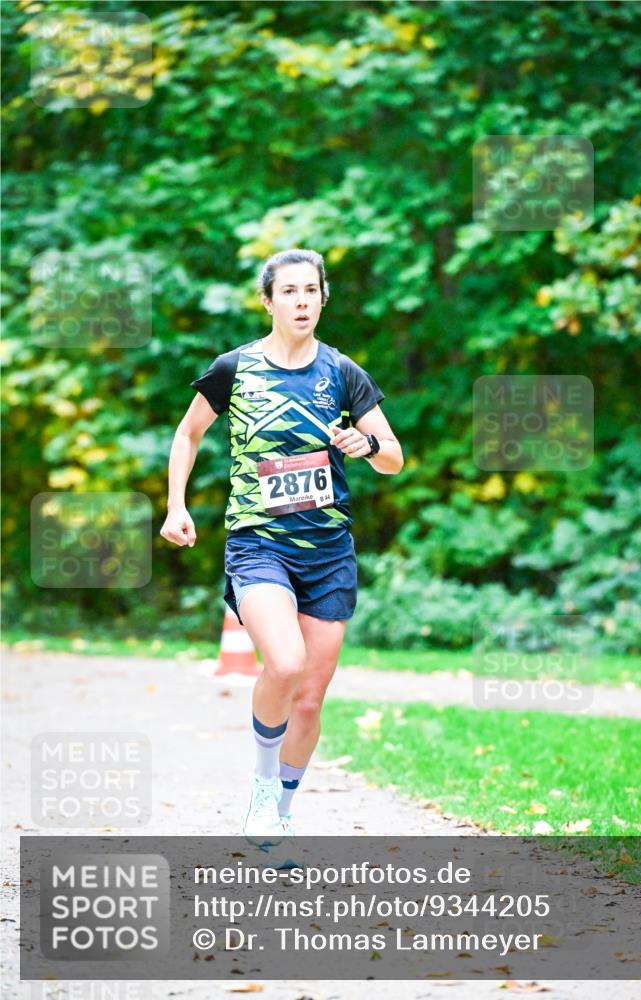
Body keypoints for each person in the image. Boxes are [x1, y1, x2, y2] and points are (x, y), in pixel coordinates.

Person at [160, 247, 403, 844]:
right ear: (268, 301)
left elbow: (395, 458)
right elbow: (188, 434)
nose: (301, 301)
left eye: (311, 291)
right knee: (286, 664)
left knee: (312, 700)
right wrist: (175, 504)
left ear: (323, 298)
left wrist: (364, 446)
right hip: (258, 541)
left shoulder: (342, 373)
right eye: (289, 291)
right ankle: (263, 789)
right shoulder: (235, 368)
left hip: (328, 551)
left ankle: (282, 812)